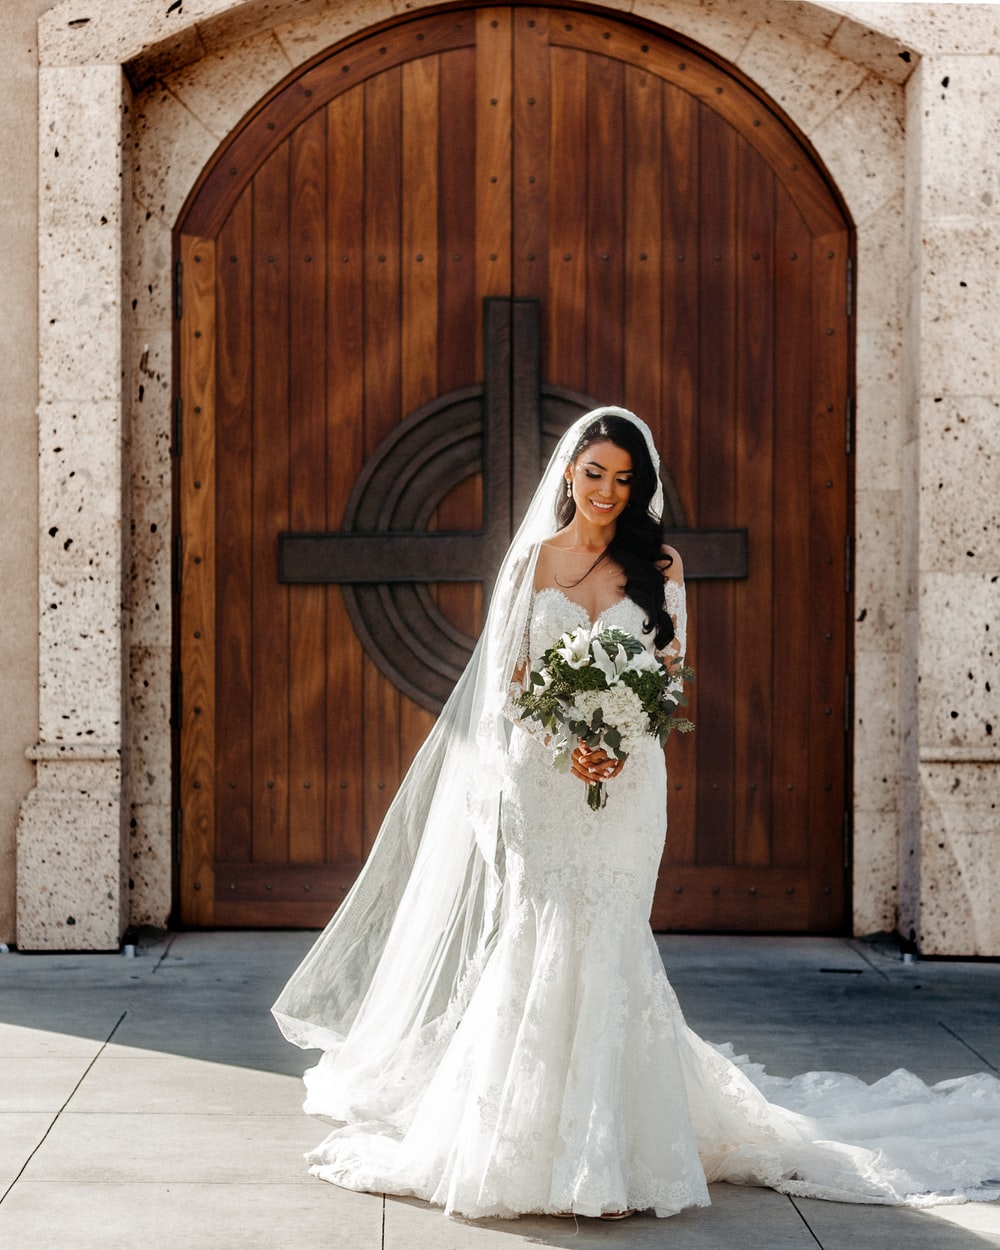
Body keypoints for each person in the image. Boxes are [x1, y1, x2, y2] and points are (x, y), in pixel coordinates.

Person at [273, 407, 1000, 1220]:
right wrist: (567, 739)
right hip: (543, 780)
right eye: (595, 475)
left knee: (611, 932)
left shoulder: (661, 564)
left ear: (639, 487)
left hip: (629, 780)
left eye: (625, 480)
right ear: (569, 473)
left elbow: (670, 674)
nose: (607, 493)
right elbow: (507, 685)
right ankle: (518, 1141)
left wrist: (619, 736)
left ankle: (607, 1153)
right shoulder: (533, 565)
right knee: (538, 934)